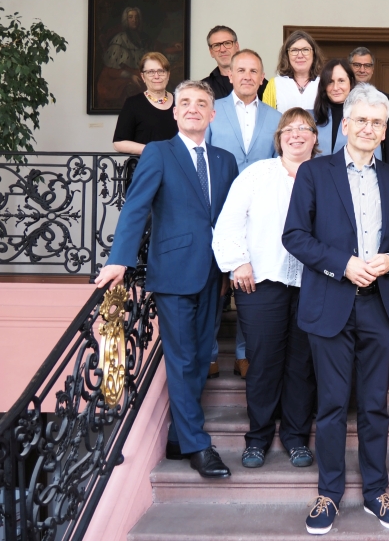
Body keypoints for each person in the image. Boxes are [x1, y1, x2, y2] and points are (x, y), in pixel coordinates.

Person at [283, 84, 389, 535]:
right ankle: (329, 494)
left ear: (384, 130)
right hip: (329, 304)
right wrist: (342, 264)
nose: (368, 128)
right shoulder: (315, 173)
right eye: (361, 120)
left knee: (376, 405)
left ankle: (376, 493)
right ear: (345, 125)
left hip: (379, 308)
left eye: (377, 122)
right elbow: (295, 236)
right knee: (332, 405)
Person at [95, 80, 239, 478]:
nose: (193, 108)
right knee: (181, 357)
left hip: (214, 274)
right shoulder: (158, 153)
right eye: (186, 103)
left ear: (213, 114)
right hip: (173, 273)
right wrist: (119, 260)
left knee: (201, 355)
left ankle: (178, 436)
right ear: (175, 112)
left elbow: (229, 218)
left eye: (202, 103)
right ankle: (197, 445)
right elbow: (135, 209)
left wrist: (233, 265)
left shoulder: (226, 161)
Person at [212, 108, 319, 470]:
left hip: (314, 285)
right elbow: (229, 222)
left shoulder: (326, 175)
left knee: (302, 365)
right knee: (262, 363)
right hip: (260, 282)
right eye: (289, 129)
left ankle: (295, 437)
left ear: (315, 138)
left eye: (304, 128)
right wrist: (238, 261)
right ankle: (257, 437)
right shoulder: (257, 174)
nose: (296, 134)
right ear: (279, 138)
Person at [206, 49, 283, 379]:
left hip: (260, 215)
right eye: (241, 70)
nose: (248, 76)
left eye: (254, 71)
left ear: (261, 77)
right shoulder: (212, 111)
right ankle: (208, 352)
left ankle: (243, 353)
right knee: (214, 285)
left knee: (250, 285)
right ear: (231, 75)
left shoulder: (276, 118)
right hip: (218, 209)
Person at [112, 52, 178, 155]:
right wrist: (155, 150)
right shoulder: (133, 104)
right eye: (151, 72)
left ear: (168, 75)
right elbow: (119, 143)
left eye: (161, 71)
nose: (156, 76)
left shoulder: (181, 102)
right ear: (143, 77)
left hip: (176, 167)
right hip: (146, 167)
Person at [348, 46, 389, 157]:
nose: (362, 70)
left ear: (372, 70)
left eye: (367, 66)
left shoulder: (384, 99)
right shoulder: (341, 96)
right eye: (357, 65)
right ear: (349, 68)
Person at [262, 30, 323, 113]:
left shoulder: (324, 84)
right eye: (294, 50)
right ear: (287, 55)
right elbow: (267, 119)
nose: (300, 55)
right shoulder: (275, 84)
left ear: (314, 54)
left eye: (305, 50)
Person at [202, 25, 268, 100]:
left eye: (227, 43)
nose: (222, 49)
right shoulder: (203, 87)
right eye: (216, 45)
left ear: (237, 46)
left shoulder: (259, 83)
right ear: (211, 52)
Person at [313, 59, 354, 157]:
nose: (335, 87)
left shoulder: (364, 117)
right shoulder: (310, 118)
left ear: (351, 83)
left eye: (341, 81)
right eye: (330, 82)